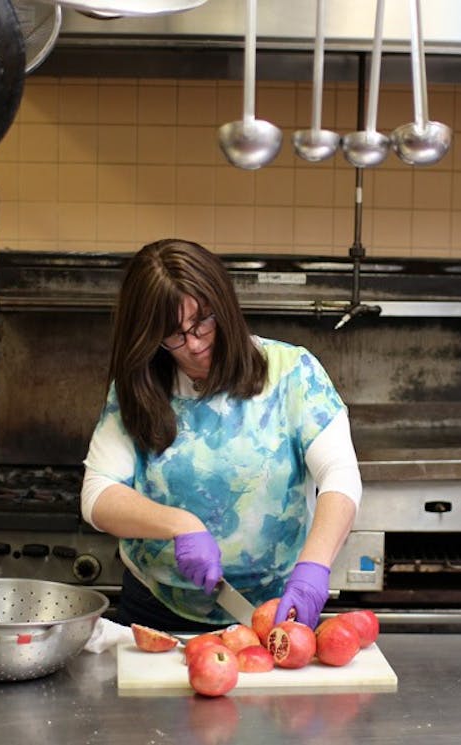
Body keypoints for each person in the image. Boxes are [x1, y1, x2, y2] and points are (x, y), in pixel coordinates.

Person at [81, 239, 362, 632]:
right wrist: (179, 524)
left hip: (277, 610)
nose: (194, 344)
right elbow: (97, 495)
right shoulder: (140, 386)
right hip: (155, 610)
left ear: (224, 305)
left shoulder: (292, 373)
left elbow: (340, 473)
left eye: (202, 322)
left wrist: (314, 566)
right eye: (173, 335)